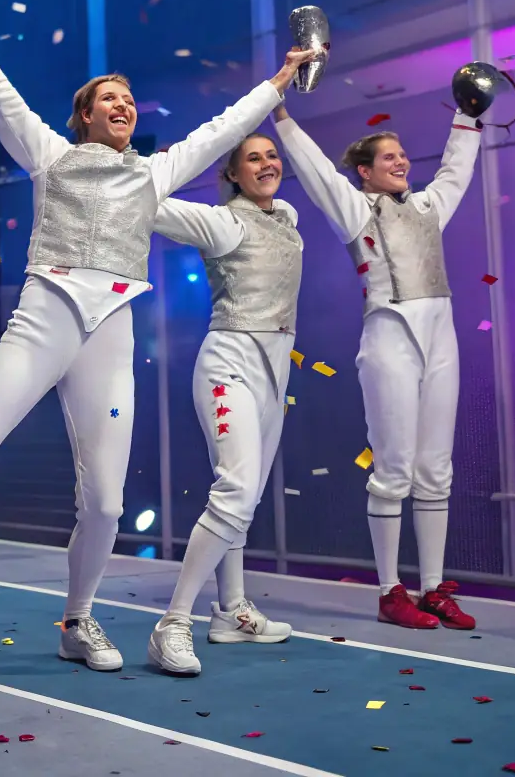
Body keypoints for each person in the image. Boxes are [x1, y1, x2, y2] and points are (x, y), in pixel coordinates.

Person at [0, 0, 314, 672]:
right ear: (83, 116)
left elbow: (221, 129)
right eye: (108, 98)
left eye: (129, 98)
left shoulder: (154, 175)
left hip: (111, 329)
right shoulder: (47, 153)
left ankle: (78, 620)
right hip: (45, 316)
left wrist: (279, 81)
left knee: (103, 506)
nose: (123, 104)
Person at [272, 100, 483, 630]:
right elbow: (319, 172)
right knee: (393, 469)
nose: (401, 162)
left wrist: (469, 117)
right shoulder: (355, 208)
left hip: (441, 339)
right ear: (365, 170)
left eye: (403, 155)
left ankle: (432, 587)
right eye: (388, 157)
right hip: (388, 337)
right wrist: (281, 118)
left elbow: (457, 168)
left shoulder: (430, 207)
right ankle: (392, 590)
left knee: (436, 469)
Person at [145, 131, 302, 674]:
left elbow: (281, 210)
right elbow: (151, 206)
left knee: (246, 499)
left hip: (275, 374)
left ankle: (231, 610)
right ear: (232, 173)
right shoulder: (222, 221)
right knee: (234, 489)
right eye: (252, 158)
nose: (266, 163)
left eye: (271, 155)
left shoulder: (287, 217)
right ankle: (174, 623)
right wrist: (118, 175)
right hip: (227, 367)